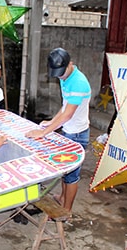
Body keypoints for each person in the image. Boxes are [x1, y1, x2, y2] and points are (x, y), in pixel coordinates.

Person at [25, 48, 91, 215]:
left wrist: (44, 132)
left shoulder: (78, 82)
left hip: (77, 134)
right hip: (69, 130)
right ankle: (62, 198)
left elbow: (68, 115)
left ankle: (66, 210)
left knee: (72, 176)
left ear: (70, 64)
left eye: (62, 72)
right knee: (65, 170)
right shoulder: (65, 77)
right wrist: (52, 122)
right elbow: (64, 107)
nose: (60, 76)